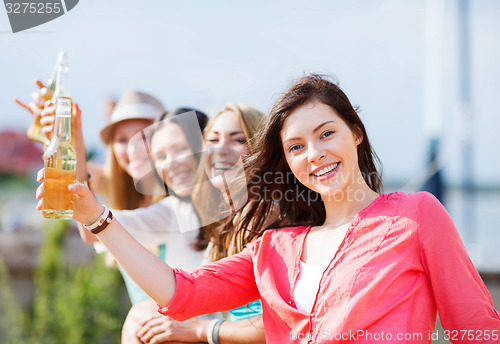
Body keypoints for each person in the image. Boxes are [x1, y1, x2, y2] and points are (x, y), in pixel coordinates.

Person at [37, 74, 500, 343]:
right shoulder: (277, 246)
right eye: (295, 146)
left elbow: (477, 329)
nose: (313, 154)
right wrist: (95, 216)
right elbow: (181, 294)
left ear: (355, 133)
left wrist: (206, 334)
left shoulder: (415, 215)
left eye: (326, 134)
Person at [130, 104, 268, 344]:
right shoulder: (228, 224)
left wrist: (201, 329)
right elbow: (190, 291)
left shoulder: (273, 220)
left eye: (238, 139)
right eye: (213, 140)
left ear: (262, 150)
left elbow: (279, 323)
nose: (221, 149)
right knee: (143, 316)